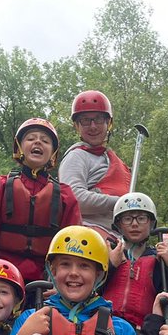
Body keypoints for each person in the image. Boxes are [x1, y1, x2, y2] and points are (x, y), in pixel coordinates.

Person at [5, 226, 137, 335]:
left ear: (98, 274)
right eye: (65, 264)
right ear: (53, 271)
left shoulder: (121, 330)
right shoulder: (31, 319)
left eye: (84, 266)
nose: (74, 273)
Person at [0, 118, 82, 285]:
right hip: (3, 274)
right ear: (19, 148)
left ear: (53, 153)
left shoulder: (65, 195)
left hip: (46, 279)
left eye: (45, 141)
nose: (38, 141)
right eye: (31, 138)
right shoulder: (2, 186)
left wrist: (62, 282)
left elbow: (74, 246)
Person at [58, 90, 129, 230]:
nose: (93, 126)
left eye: (98, 119)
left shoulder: (111, 159)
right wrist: (122, 203)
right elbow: (73, 198)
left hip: (117, 235)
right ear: (77, 126)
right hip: (88, 233)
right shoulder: (76, 156)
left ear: (108, 123)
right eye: (85, 120)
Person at [105, 192, 168, 330]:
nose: (134, 224)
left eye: (141, 218)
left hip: (143, 329)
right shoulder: (107, 252)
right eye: (127, 219)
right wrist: (110, 265)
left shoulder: (158, 258)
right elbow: (92, 287)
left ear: (151, 223)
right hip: (106, 324)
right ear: (118, 224)